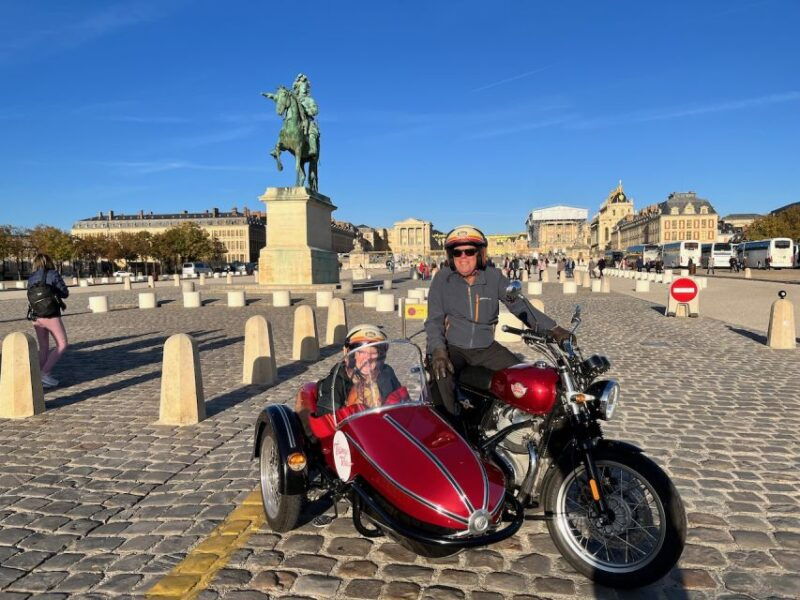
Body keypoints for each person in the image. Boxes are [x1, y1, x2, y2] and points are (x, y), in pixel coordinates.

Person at [425, 225, 570, 418]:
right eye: (457, 252)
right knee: (442, 376)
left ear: (480, 253)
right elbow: (434, 320)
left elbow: (520, 306)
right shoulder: (442, 279)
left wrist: (554, 329)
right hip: (454, 346)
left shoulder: (493, 277)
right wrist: (438, 350)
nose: (463, 257)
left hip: (486, 347)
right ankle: (451, 424)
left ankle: (514, 422)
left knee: (522, 377)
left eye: (469, 251)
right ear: (451, 256)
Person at [315, 324, 407, 418]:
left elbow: (404, 404)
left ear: (380, 355)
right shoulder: (338, 379)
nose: (368, 358)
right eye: (362, 352)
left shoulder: (387, 373)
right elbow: (326, 419)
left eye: (374, 353)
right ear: (351, 354)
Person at [27, 254, 69, 388]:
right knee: (62, 344)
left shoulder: (32, 277)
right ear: (49, 262)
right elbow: (64, 293)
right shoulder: (53, 274)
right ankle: (45, 373)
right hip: (50, 314)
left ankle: (37, 376)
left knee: (43, 347)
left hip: (36, 315)